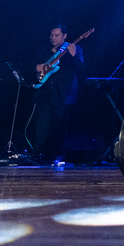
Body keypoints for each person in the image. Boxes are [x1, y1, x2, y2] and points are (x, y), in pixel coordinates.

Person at [32, 24, 85, 162]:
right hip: (44, 92)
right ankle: (38, 153)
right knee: (42, 126)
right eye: (51, 35)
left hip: (63, 94)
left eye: (57, 35)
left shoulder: (74, 49)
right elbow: (32, 67)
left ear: (65, 36)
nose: (53, 38)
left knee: (59, 126)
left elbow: (80, 69)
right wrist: (35, 68)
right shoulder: (42, 50)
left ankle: (57, 155)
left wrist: (73, 56)